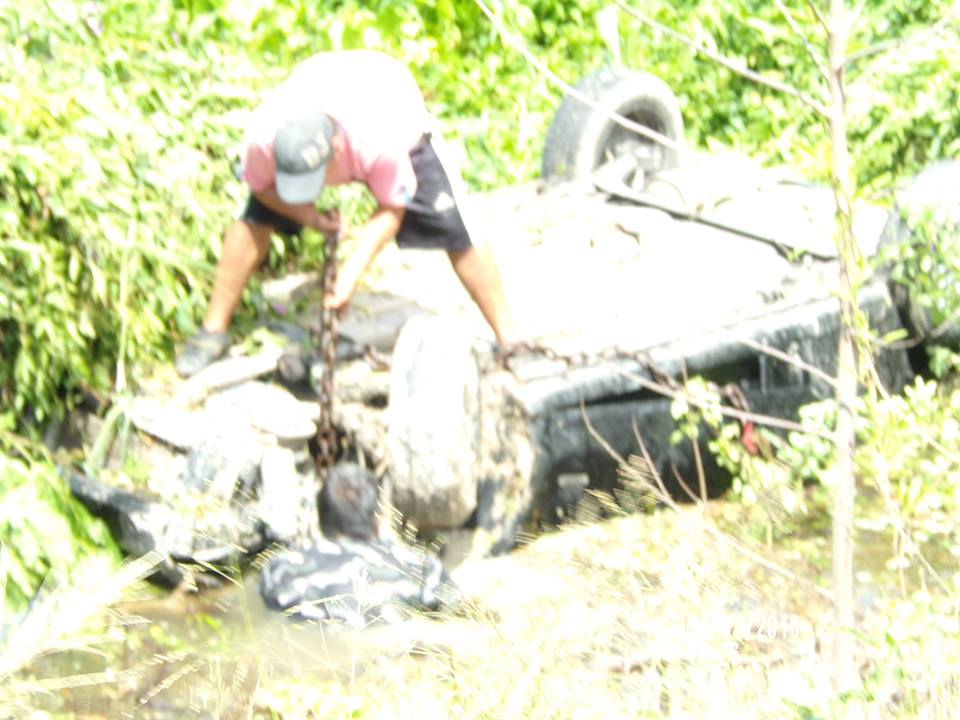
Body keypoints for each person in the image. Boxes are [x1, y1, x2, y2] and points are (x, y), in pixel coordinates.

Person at [175, 50, 513, 377]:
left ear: (337, 152)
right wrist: (310, 217)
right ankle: (211, 330)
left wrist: (350, 273)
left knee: (457, 226)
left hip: (389, 95)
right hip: (324, 85)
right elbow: (261, 187)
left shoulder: (383, 139)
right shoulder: (264, 140)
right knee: (252, 220)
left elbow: (393, 205)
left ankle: (508, 339)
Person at [259, 462, 454, 626]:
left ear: (321, 518)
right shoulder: (423, 570)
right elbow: (457, 620)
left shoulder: (281, 570)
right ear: (376, 517)